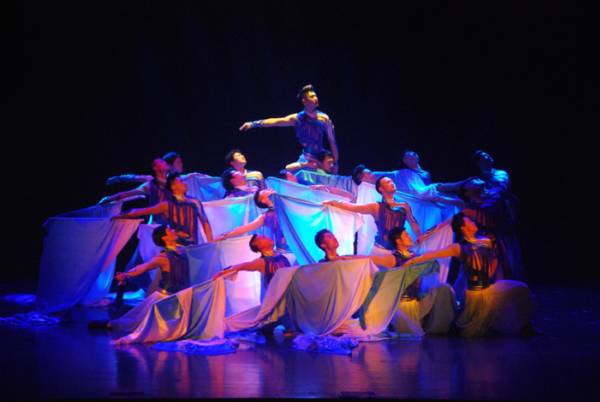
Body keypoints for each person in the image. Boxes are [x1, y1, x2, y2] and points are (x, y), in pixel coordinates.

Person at [403, 213, 534, 337]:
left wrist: (491, 271)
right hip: (474, 294)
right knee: (471, 330)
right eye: (469, 221)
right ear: (463, 227)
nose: (473, 222)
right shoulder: (458, 248)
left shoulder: (486, 241)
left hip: (489, 289)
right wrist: (413, 260)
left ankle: (526, 326)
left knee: (520, 289)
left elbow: (494, 258)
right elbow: (432, 254)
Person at [88, 225, 191, 331]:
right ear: (164, 238)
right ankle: (109, 325)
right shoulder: (163, 258)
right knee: (142, 324)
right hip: (166, 299)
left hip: (181, 297)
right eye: (170, 230)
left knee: (148, 324)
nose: (173, 230)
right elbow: (144, 267)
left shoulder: (182, 251)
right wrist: (126, 275)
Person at [239, 84, 340, 173]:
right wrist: (253, 124)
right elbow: (275, 122)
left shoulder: (324, 119)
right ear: (304, 101)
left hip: (321, 156)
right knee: (288, 172)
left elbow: (332, 142)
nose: (316, 98)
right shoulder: (297, 118)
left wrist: (335, 163)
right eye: (312, 96)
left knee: (330, 173)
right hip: (307, 157)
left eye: (316, 96)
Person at [323, 176, 421, 251]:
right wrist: (333, 202)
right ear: (381, 189)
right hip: (382, 247)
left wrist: (419, 236)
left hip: (400, 245)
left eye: (392, 181)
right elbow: (354, 208)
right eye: (388, 182)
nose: (392, 183)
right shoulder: (376, 207)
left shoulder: (404, 205)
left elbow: (413, 223)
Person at [113, 173, 213, 244]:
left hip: (193, 245)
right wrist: (119, 215)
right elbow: (141, 211)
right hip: (176, 247)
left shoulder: (195, 202)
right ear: (173, 187)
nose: (185, 183)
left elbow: (205, 222)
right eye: (181, 182)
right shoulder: (166, 205)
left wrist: (210, 242)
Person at [99, 158, 170, 224]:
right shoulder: (151, 182)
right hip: (156, 222)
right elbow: (131, 181)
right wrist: (116, 179)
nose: (165, 163)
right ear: (155, 168)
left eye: (164, 161)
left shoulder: (173, 180)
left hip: (171, 220)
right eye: (161, 162)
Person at [215, 189, 287, 251]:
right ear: (263, 200)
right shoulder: (266, 217)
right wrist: (224, 236)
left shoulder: (285, 202)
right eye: (264, 191)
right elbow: (244, 228)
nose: (269, 189)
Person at [213, 234, 291, 287]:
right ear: (257, 245)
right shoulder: (261, 262)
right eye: (263, 237)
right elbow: (240, 266)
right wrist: (221, 274)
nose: (267, 237)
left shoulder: (280, 254)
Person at [105, 152, 209, 186]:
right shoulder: (154, 180)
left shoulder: (182, 179)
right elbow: (133, 177)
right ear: (169, 166)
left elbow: (197, 176)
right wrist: (117, 178)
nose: (181, 164)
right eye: (178, 162)